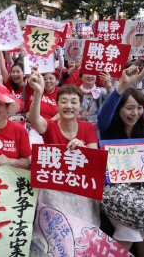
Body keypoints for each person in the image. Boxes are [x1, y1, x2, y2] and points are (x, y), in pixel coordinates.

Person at [97, 66, 144, 257]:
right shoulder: (107, 131)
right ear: (118, 109)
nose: (135, 113)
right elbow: (103, 115)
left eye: (139, 108)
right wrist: (121, 85)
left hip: (140, 193)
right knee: (128, 232)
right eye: (129, 108)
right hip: (113, 194)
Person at [28, 68, 100, 227]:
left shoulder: (87, 128)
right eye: (64, 101)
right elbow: (34, 119)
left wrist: (84, 149)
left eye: (74, 102)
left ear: (80, 105)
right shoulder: (50, 126)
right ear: (57, 105)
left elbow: (94, 159)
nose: (69, 106)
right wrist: (38, 92)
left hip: (79, 186)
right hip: (54, 188)